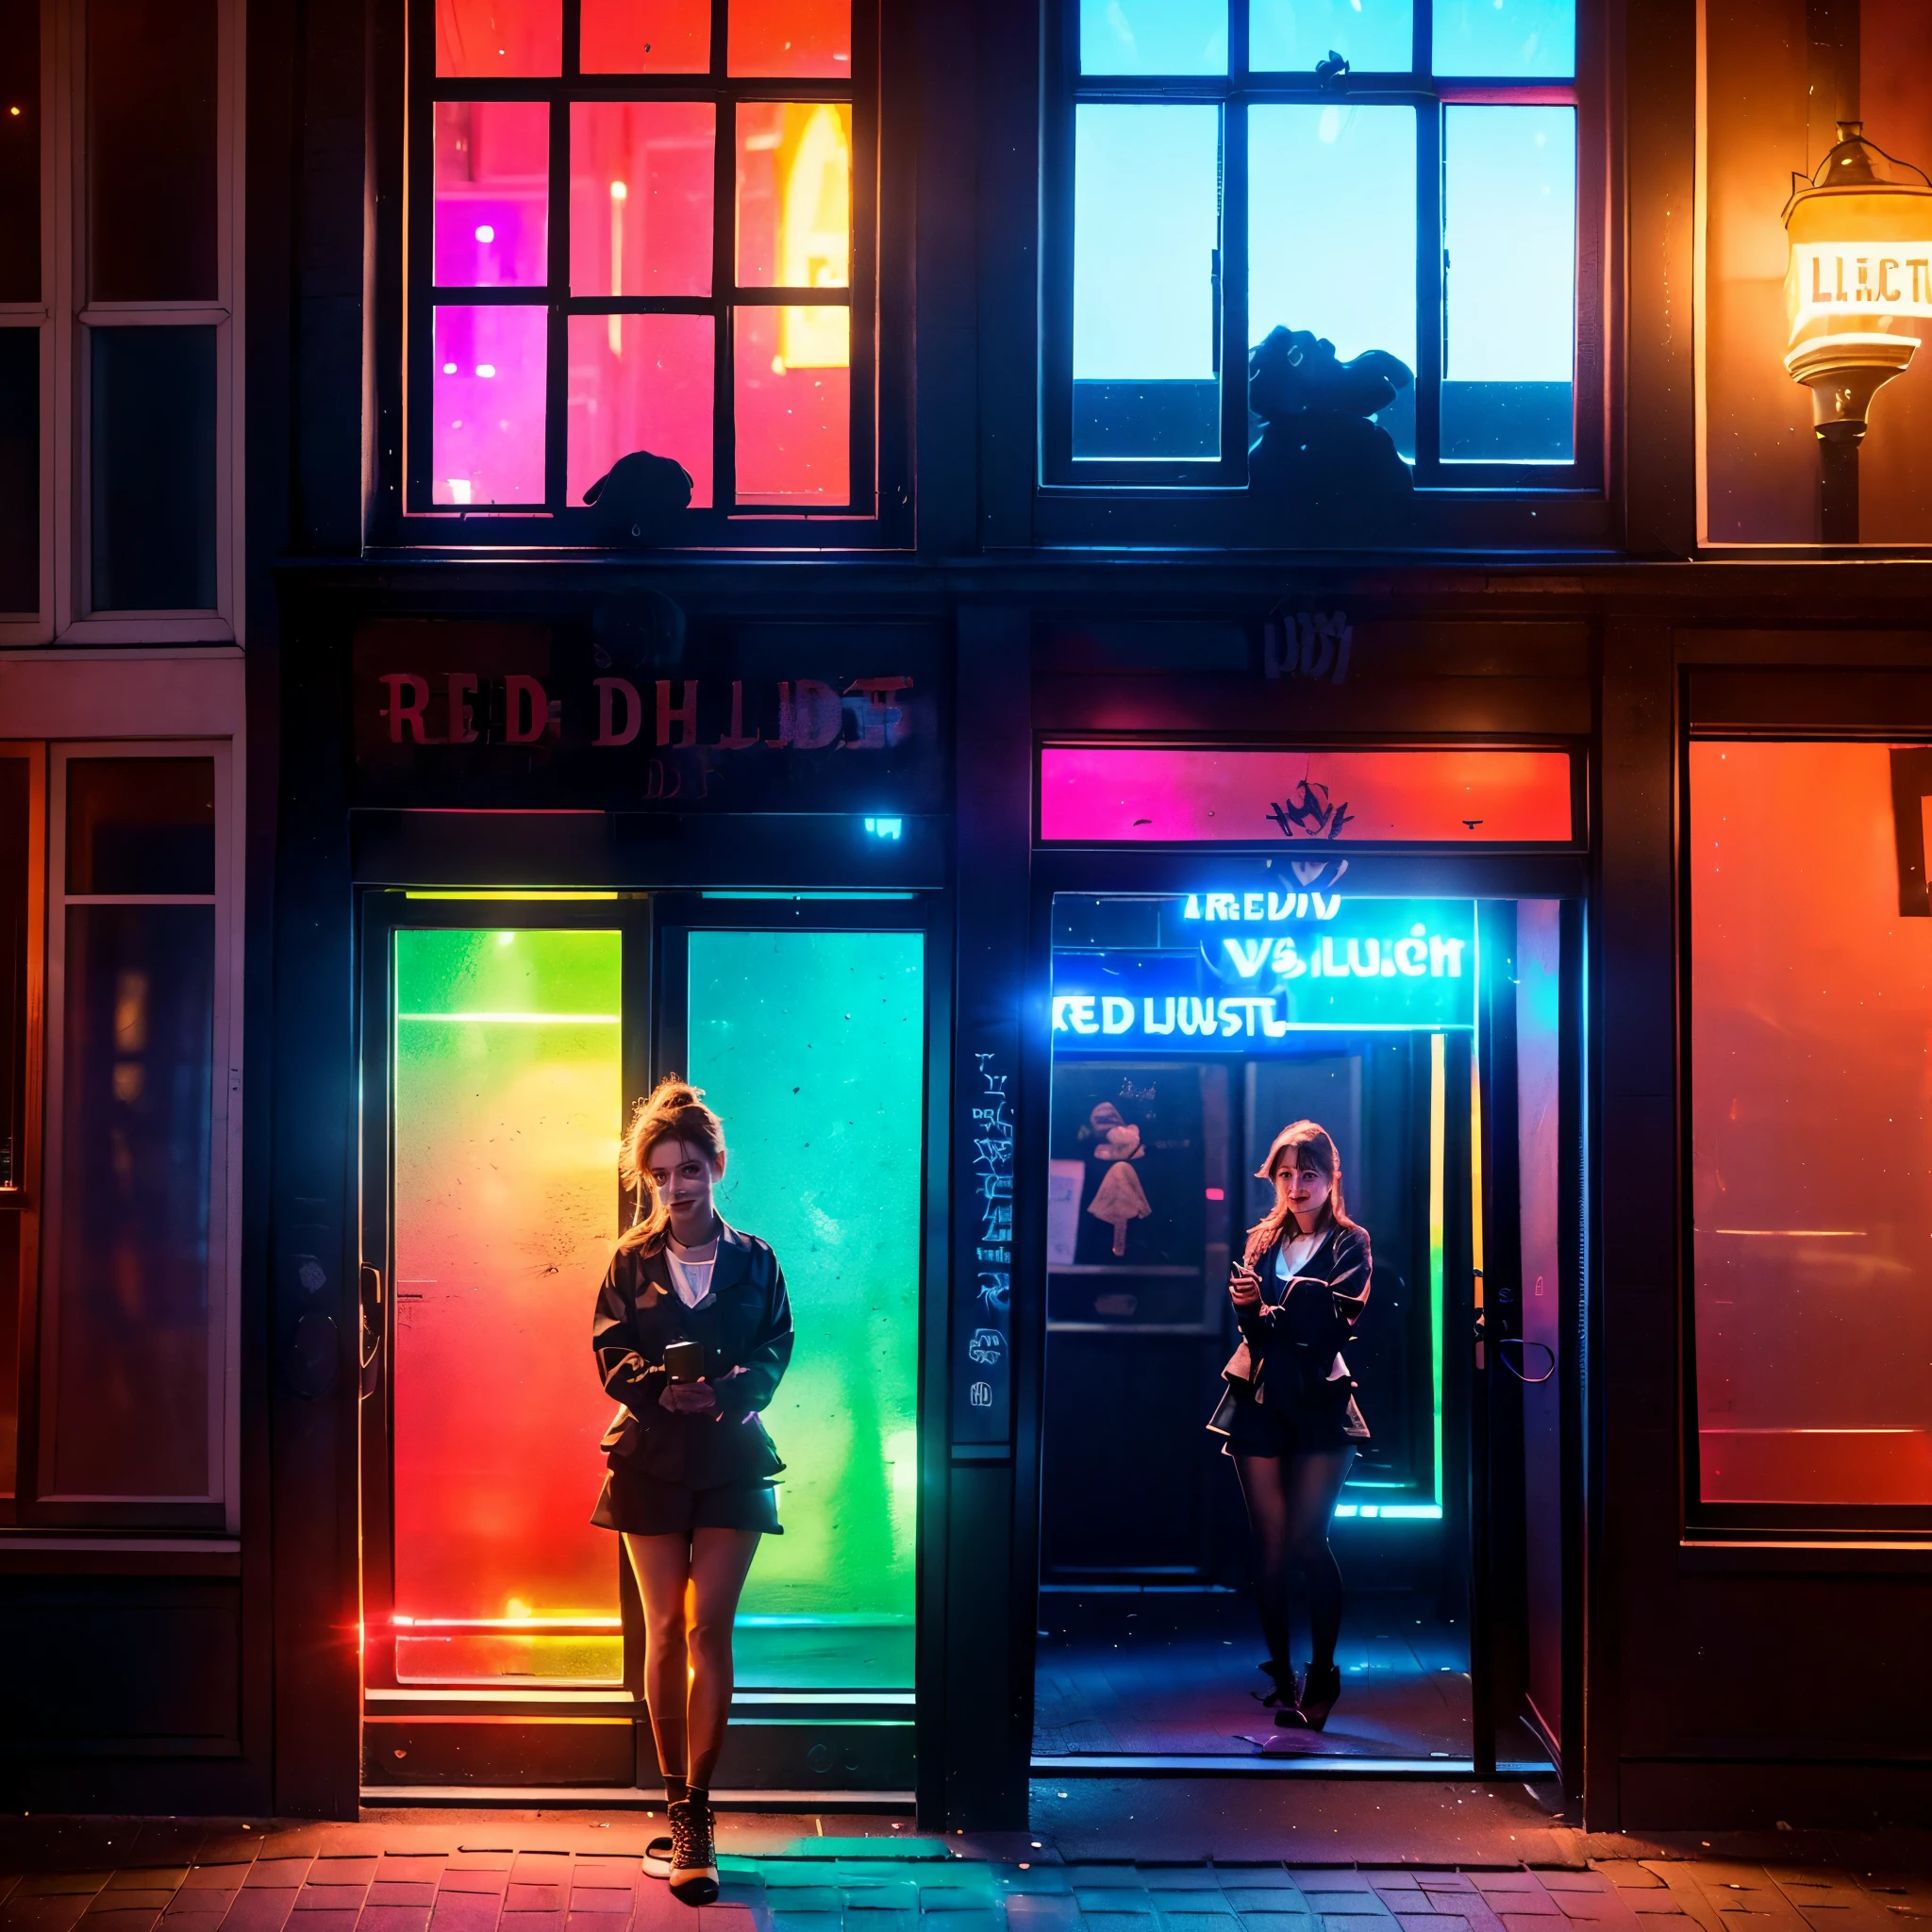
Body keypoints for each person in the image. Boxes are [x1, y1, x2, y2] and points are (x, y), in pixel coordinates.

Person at [591, 1077, 793, 1904]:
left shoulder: (756, 1259)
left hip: (732, 1459)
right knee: (665, 1629)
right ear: (648, 1179)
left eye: (690, 1170)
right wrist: (653, 1387)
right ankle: (678, 1806)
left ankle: (698, 1815)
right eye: (661, 1174)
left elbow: (779, 1344)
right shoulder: (630, 1261)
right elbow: (606, 1349)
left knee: (710, 1628)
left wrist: (734, 1389)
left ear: (717, 1168)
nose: (677, 1187)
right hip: (647, 1457)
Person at [1208, 1119, 1371, 1731]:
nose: (1297, 1186)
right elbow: (1254, 1333)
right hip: (1261, 1399)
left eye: (1308, 1174)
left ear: (1331, 1179)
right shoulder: (1261, 1241)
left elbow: (1328, 1329)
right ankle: (1283, 1677)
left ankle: (1323, 1675)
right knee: (1271, 1548)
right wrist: (1260, 1313)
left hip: (1321, 1401)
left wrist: (1272, 1311)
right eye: (1286, 1174)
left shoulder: (1350, 1242)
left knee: (1307, 1540)